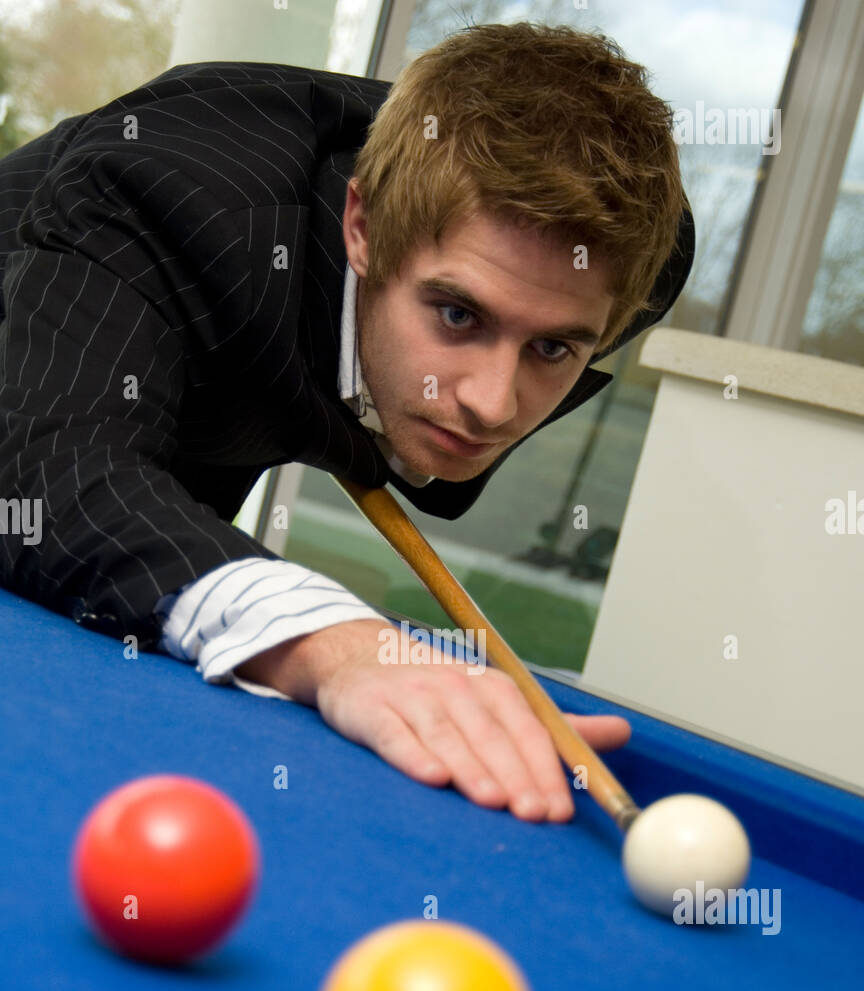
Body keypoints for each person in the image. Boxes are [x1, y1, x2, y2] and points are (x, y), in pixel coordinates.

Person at [0, 23, 693, 822]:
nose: (494, 403)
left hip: (192, 428)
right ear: (361, 228)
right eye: (459, 314)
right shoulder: (171, 188)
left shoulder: (639, 252)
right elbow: (48, 476)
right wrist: (337, 644)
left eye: (551, 346)